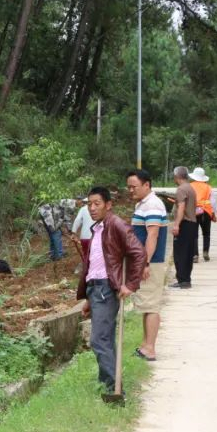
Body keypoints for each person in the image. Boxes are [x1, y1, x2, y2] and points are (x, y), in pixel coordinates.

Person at [77, 186, 146, 403]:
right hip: (96, 289)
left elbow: (138, 252)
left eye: (97, 203)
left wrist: (131, 284)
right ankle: (108, 383)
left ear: (108, 205)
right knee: (105, 339)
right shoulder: (98, 228)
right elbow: (96, 264)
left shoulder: (116, 224)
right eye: (89, 204)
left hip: (106, 289)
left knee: (99, 339)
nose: (92, 208)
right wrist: (89, 299)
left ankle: (113, 389)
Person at [126, 169, 169, 361]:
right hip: (147, 262)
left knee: (151, 306)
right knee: (146, 304)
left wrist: (145, 262)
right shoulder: (143, 204)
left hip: (152, 263)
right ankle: (145, 345)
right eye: (128, 187)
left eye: (134, 187)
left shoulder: (152, 205)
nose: (131, 190)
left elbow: (153, 235)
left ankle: (150, 349)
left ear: (146, 185)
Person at [170, 166, 198, 289]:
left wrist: (176, 225)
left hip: (184, 224)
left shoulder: (181, 189)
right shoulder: (191, 188)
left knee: (180, 253)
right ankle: (186, 280)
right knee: (188, 253)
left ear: (177, 176)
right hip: (192, 223)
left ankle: (182, 280)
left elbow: (181, 207)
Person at [189, 167, 214, 262]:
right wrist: (213, 214)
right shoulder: (208, 187)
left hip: (194, 211)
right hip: (206, 211)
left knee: (194, 234)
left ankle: (195, 255)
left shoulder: (190, 186)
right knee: (206, 233)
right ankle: (205, 252)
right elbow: (213, 202)